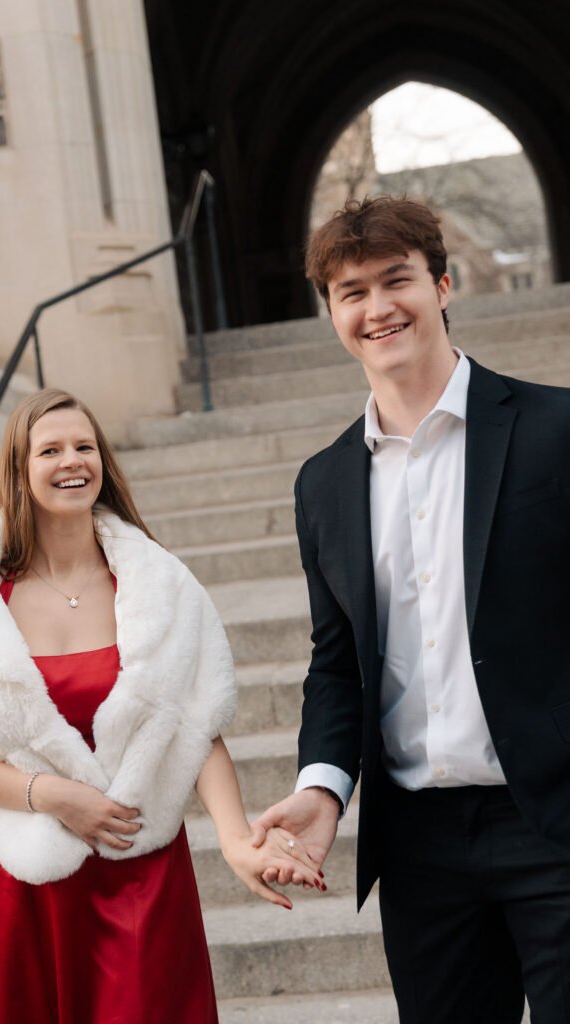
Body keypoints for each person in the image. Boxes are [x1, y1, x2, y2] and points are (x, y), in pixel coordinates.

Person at [0, 388, 321, 1024]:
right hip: (34, 881)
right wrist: (52, 795)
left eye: (85, 446)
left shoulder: (158, 583)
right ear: (19, 469)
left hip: (143, 870)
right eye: (50, 450)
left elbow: (195, 725)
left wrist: (238, 840)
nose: (72, 460)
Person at [251, 196, 570, 1022]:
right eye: (351, 292)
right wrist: (322, 790)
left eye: (396, 281)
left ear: (441, 286)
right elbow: (335, 663)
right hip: (418, 847)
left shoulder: (555, 428)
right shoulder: (322, 483)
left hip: (553, 819)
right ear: (331, 313)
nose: (377, 308)